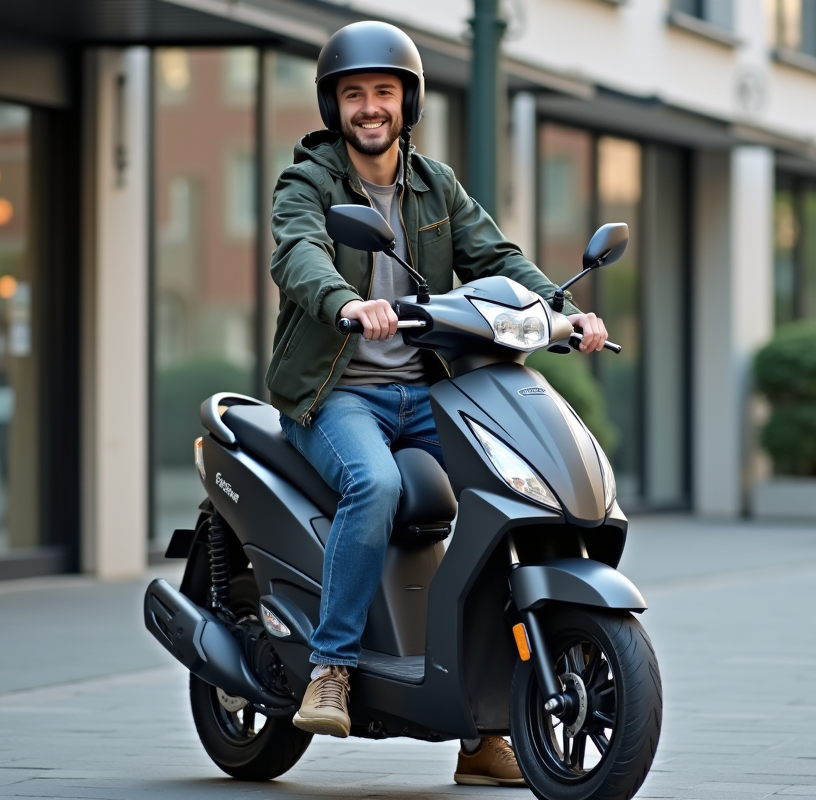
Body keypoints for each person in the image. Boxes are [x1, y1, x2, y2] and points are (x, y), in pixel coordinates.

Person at [266, 20, 609, 786]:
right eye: (354, 95)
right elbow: (298, 253)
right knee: (377, 485)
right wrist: (346, 304)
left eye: (382, 92)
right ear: (335, 105)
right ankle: (333, 669)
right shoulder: (309, 182)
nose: (369, 108)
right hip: (336, 394)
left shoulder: (435, 185)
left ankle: (482, 730)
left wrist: (564, 310)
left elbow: (498, 257)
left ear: (406, 100)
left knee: (499, 495)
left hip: (423, 392)